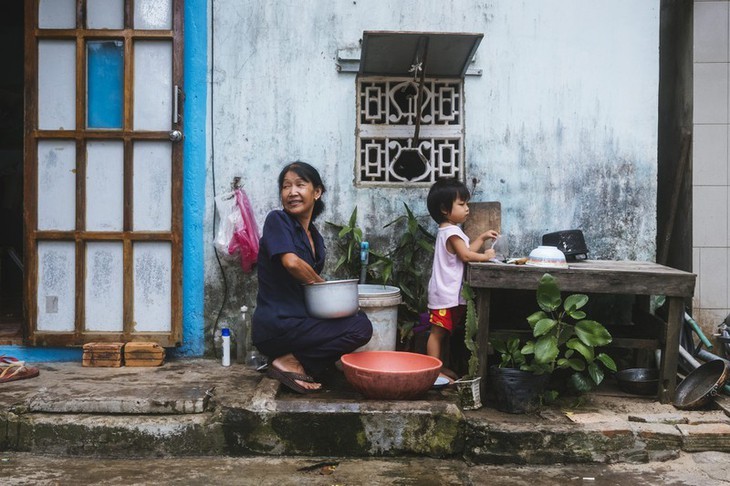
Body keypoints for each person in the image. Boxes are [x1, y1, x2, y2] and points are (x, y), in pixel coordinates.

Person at [252, 161, 373, 394]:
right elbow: (291, 262)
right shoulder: (277, 220)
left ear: (317, 192)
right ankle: (289, 362)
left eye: (300, 184)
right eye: (286, 186)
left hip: (301, 322)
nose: (292, 192)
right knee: (360, 328)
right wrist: (324, 287)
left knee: (359, 321)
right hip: (278, 324)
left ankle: (295, 360)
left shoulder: (315, 237)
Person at [426, 179, 499, 382]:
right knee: (437, 333)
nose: (467, 209)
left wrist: (482, 237)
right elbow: (467, 256)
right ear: (443, 208)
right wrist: (486, 256)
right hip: (444, 293)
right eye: (462, 204)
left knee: (443, 333)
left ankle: (440, 367)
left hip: (447, 293)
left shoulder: (451, 231)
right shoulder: (450, 232)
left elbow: (466, 251)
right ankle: (433, 372)